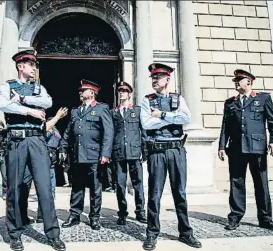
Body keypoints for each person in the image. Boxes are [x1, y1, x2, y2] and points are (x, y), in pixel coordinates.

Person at [0, 49, 65, 251]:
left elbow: (48, 102)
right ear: (21, 66)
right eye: (31, 64)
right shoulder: (7, 86)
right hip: (16, 141)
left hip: (37, 140)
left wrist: (23, 100)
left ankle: (53, 234)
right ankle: (15, 234)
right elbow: (3, 105)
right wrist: (30, 111)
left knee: (44, 187)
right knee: (16, 188)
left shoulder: (39, 87)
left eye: (35, 65)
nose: (34, 68)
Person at [140, 63, 201, 250]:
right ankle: (152, 233)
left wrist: (162, 114)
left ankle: (186, 233)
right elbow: (146, 124)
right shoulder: (146, 100)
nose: (154, 81)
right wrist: (171, 117)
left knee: (180, 193)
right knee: (154, 194)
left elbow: (186, 119)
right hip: (157, 151)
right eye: (152, 78)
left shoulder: (178, 98)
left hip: (176, 150)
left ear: (167, 79)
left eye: (158, 78)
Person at [218, 69, 273, 232]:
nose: (236, 82)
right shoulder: (230, 102)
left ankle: (265, 218)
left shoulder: (262, 99)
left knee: (261, 183)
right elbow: (225, 126)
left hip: (257, 148)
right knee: (236, 182)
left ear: (249, 82)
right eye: (235, 80)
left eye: (240, 79)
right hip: (236, 148)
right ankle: (235, 216)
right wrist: (221, 146)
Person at [60, 79, 114, 231]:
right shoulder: (75, 111)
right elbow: (69, 131)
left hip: (94, 155)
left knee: (95, 189)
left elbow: (108, 133)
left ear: (92, 93)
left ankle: (94, 218)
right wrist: (63, 148)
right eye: (80, 90)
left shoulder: (102, 109)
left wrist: (105, 153)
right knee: (77, 187)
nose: (80, 93)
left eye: (83, 90)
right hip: (77, 155)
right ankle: (74, 215)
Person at [21, 107, 68, 224]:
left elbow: (61, 141)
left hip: (51, 161)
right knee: (26, 188)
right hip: (39, 157)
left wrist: (62, 151)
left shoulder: (56, 132)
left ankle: (43, 215)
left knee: (49, 190)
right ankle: (22, 216)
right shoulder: (40, 127)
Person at [111, 81, 147, 225]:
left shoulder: (137, 111)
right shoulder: (113, 112)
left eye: (124, 91)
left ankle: (140, 212)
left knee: (138, 184)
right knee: (120, 185)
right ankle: (122, 213)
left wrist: (144, 152)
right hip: (119, 152)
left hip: (134, 152)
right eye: (120, 91)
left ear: (130, 94)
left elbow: (143, 132)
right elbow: (111, 133)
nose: (121, 93)